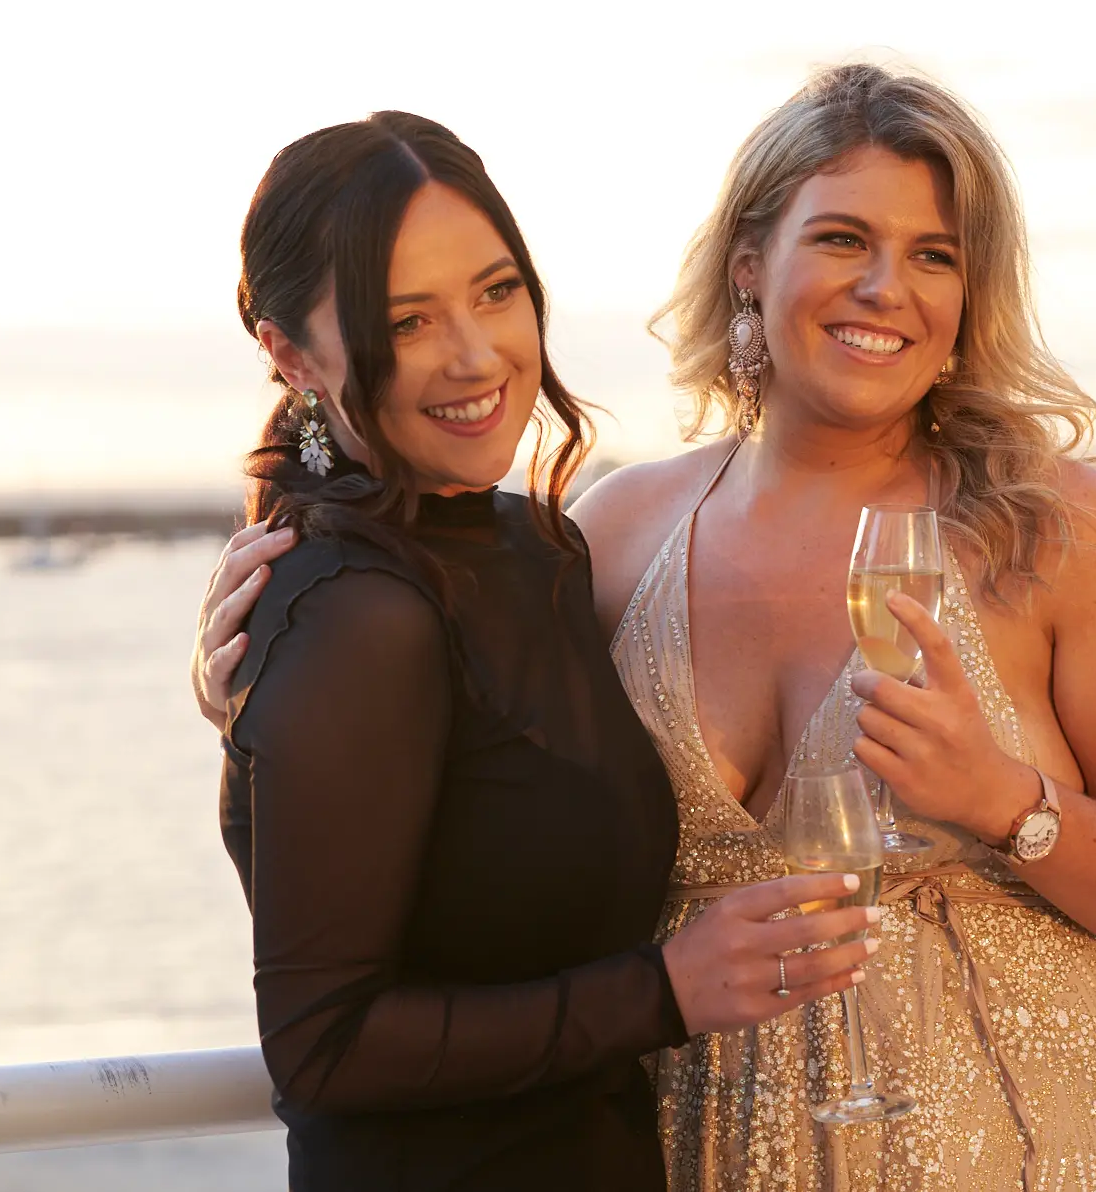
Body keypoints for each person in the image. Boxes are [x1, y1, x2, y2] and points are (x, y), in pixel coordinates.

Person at [199, 67, 1096, 1190]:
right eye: (843, 239)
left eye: (934, 255)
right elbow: (439, 806)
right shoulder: (608, 538)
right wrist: (256, 703)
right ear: (750, 263)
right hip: (703, 1150)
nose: (884, 288)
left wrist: (1005, 802)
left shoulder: (1054, 528)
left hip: (1041, 1145)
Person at [210, 111, 878, 1192]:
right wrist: (663, 993)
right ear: (290, 352)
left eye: (494, 290)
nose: (475, 355)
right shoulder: (350, 611)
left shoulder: (535, 548)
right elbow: (321, 1044)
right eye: (407, 319)